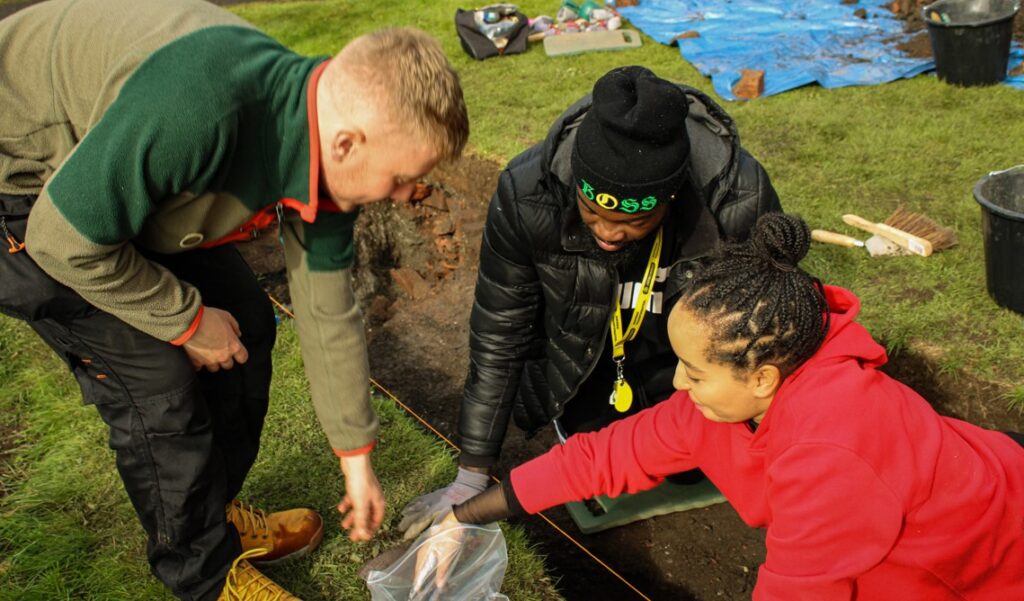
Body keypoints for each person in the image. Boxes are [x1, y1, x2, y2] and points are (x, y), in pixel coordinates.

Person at [0, 0, 468, 599]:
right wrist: (186, 320)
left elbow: (327, 311)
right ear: (348, 143)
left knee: (248, 323)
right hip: (33, 190)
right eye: (401, 177)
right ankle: (205, 576)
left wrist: (356, 458)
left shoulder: (318, 145)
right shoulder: (201, 112)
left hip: (117, 172)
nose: (404, 196)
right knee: (157, 383)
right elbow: (63, 242)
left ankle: (212, 514)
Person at [447, 212, 1024, 599]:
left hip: (989, 557)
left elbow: (799, 588)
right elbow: (602, 456)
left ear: (763, 378)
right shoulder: (723, 399)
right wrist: (464, 514)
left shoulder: (831, 453)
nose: (676, 384)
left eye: (694, 372)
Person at [399, 65, 781, 537]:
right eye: (592, 213)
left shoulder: (736, 197)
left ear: (669, 199)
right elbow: (501, 328)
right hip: (582, 359)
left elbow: (772, 324)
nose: (607, 233)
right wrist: (470, 474)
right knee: (596, 455)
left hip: (686, 366)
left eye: (630, 224)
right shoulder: (527, 194)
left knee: (691, 465)